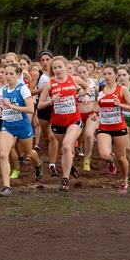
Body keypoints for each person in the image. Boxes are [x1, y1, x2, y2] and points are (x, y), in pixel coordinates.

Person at [38, 56, 89, 191]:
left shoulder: (74, 79)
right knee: (66, 149)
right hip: (57, 123)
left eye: (60, 67)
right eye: (54, 68)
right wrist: (50, 101)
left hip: (74, 120)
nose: (57, 70)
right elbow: (39, 105)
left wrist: (87, 95)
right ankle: (70, 165)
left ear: (66, 67)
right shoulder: (50, 84)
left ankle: (65, 180)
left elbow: (87, 86)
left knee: (66, 147)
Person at [0, 64, 43, 197]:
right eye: (6, 73)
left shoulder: (23, 89)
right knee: (3, 154)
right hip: (7, 126)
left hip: (23, 126)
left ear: (18, 75)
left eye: (11, 74)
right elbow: (2, 108)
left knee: (29, 153)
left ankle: (38, 164)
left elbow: (30, 109)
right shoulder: (2, 90)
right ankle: (6, 187)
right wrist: (0, 110)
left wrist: (11, 106)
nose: (8, 76)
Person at [92, 65, 130, 193]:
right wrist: (95, 113)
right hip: (104, 127)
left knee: (122, 158)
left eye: (109, 73)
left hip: (119, 127)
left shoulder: (122, 89)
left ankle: (124, 180)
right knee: (104, 155)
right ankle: (111, 162)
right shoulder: (100, 89)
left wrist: (120, 104)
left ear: (115, 75)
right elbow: (97, 106)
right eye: (104, 74)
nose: (107, 76)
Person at [33, 50, 59, 176]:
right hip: (43, 107)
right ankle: (50, 153)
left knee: (53, 136)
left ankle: (52, 163)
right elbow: (30, 91)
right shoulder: (37, 74)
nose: (45, 62)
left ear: (52, 60)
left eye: (47, 59)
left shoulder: (57, 73)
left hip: (56, 107)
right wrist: (43, 89)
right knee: (47, 136)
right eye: (42, 60)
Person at [75, 63, 99, 171]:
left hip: (90, 113)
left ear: (88, 72)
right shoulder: (74, 84)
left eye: (84, 72)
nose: (82, 74)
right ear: (76, 73)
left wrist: (95, 110)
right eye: (79, 72)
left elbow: (98, 99)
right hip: (77, 114)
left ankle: (86, 159)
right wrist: (78, 94)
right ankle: (77, 149)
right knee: (78, 136)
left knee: (89, 135)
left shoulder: (94, 83)